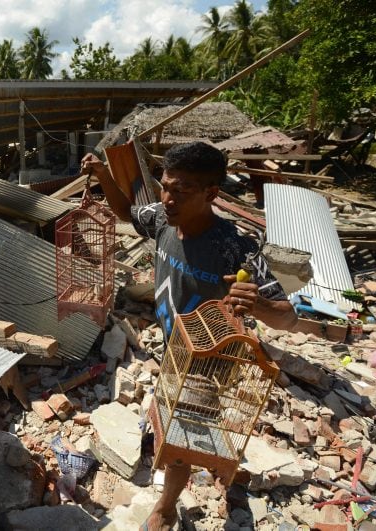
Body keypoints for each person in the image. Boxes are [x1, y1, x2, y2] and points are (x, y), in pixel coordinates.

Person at [81, 141, 298, 531]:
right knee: (168, 421)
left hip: (208, 362)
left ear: (211, 193)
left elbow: (288, 317)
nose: (166, 198)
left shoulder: (236, 249)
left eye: (180, 190)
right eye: (164, 186)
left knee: (180, 441)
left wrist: (258, 306)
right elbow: (127, 212)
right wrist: (104, 177)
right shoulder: (164, 219)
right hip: (173, 349)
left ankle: (166, 506)